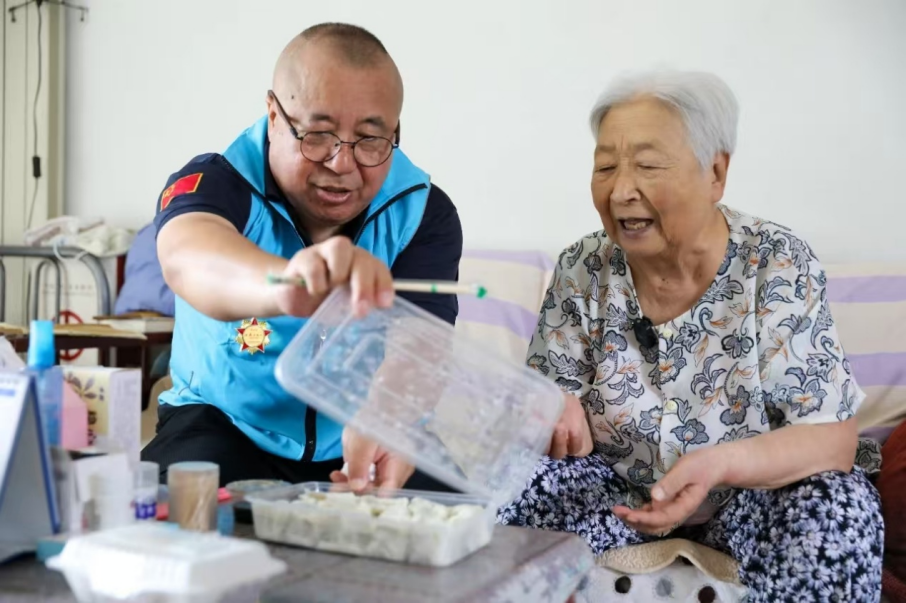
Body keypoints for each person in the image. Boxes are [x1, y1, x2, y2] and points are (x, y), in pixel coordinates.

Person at [498, 70, 883, 602]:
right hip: (615, 495)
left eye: (649, 166)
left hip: (748, 498)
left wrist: (721, 463)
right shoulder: (583, 267)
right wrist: (549, 404)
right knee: (513, 479)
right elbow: (540, 404)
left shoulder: (775, 263)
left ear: (715, 174)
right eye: (605, 166)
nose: (621, 190)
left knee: (839, 503)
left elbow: (832, 440)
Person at [141, 23, 463, 493]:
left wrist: (389, 418)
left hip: (362, 432)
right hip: (222, 423)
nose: (342, 163)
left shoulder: (422, 212)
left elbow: (420, 345)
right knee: (178, 520)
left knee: (468, 533)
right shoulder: (217, 182)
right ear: (274, 115)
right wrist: (287, 283)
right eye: (318, 134)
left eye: (372, 139)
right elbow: (188, 258)